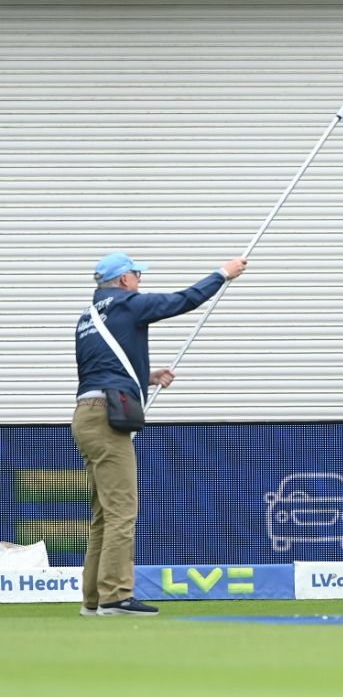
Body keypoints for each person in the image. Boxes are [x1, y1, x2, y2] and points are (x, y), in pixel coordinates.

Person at [73, 251, 247, 616]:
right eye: (136, 275)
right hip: (108, 419)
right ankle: (116, 597)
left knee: (104, 514)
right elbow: (183, 300)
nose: (139, 281)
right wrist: (222, 274)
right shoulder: (128, 305)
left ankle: (93, 600)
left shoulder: (87, 317)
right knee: (122, 511)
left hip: (86, 416)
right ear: (123, 280)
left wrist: (146, 378)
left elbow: (100, 367)